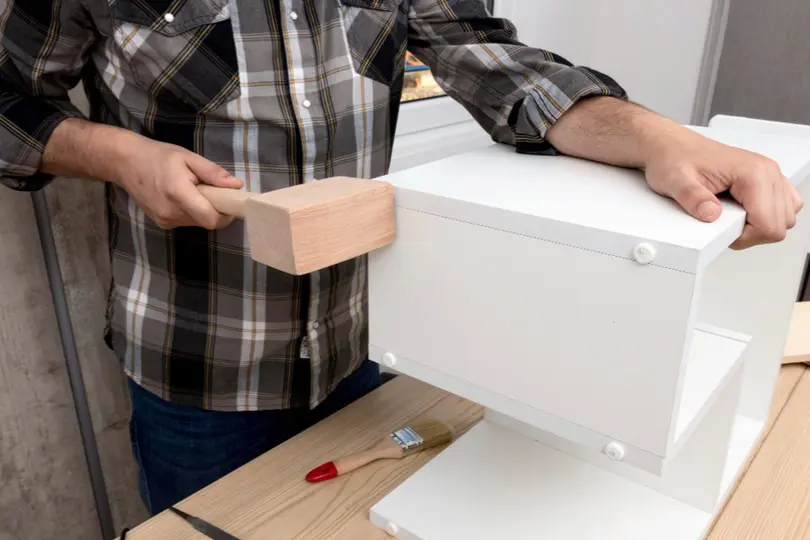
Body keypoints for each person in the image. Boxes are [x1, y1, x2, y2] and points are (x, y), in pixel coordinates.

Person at [0, 0, 802, 516]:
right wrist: (114, 154)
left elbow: (498, 65)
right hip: (200, 372)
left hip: (361, 347)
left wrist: (657, 140)